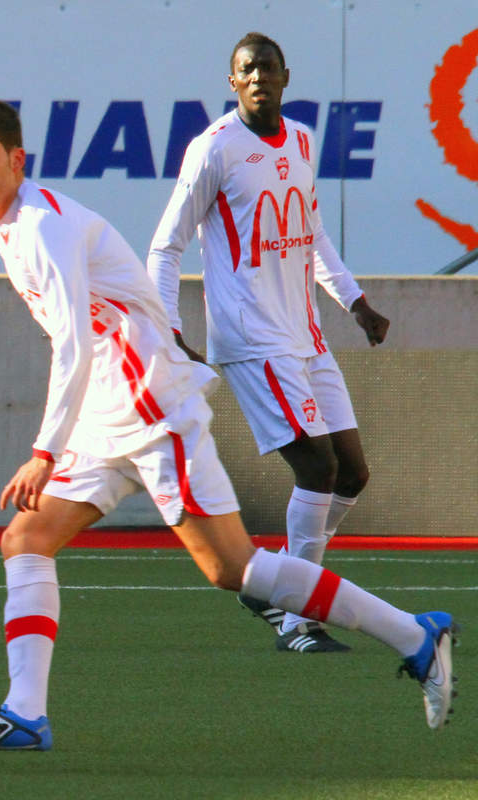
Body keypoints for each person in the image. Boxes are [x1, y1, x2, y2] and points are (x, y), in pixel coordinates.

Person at [0, 93, 455, 750]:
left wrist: (43, 450)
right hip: (106, 412)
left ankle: (414, 633)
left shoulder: (42, 226)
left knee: (233, 567)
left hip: (151, 409)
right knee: (25, 540)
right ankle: (25, 714)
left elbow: (74, 345)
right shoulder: (10, 224)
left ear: (16, 158)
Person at [146, 32, 390, 653]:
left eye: (267, 67)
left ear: (286, 76)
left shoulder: (303, 141)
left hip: (304, 333)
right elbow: (165, 246)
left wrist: (354, 301)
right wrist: (169, 330)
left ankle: (275, 582)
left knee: (353, 474)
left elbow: (313, 235)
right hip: (252, 337)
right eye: (245, 69)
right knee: (316, 466)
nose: (258, 76)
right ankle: (297, 616)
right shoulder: (213, 150)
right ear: (233, 83)